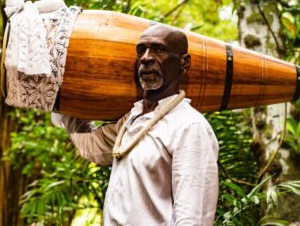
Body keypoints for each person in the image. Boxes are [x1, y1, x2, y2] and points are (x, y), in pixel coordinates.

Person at [52, 24, 219, 225]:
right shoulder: (132, 119)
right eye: (141, 50)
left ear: (184, 63)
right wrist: (58, 93)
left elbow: (191, 218)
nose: (146, 57)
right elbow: (91, 146)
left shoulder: (189, 126)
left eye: (159, 49)